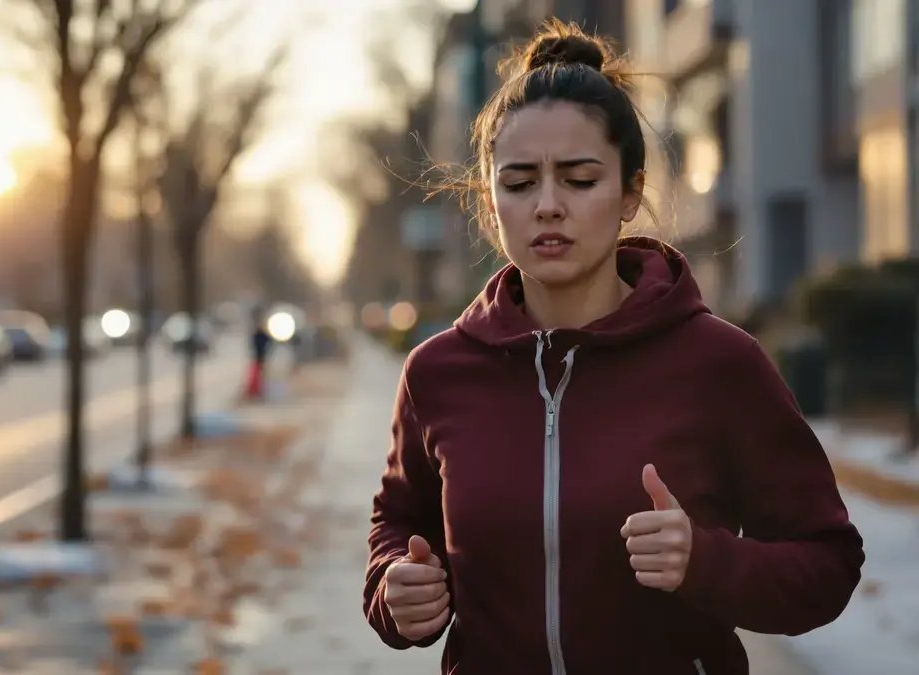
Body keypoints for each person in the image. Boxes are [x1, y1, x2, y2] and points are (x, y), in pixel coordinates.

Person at [362, 20, 864, 675]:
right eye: (519, 182)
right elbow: (397, 525)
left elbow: (827, 563)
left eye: (579, 179)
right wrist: (395, 590)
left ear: (630, 192)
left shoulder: (718, 363)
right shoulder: (437, 373)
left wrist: (704, 561)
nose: (548, 205)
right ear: (488, 204)